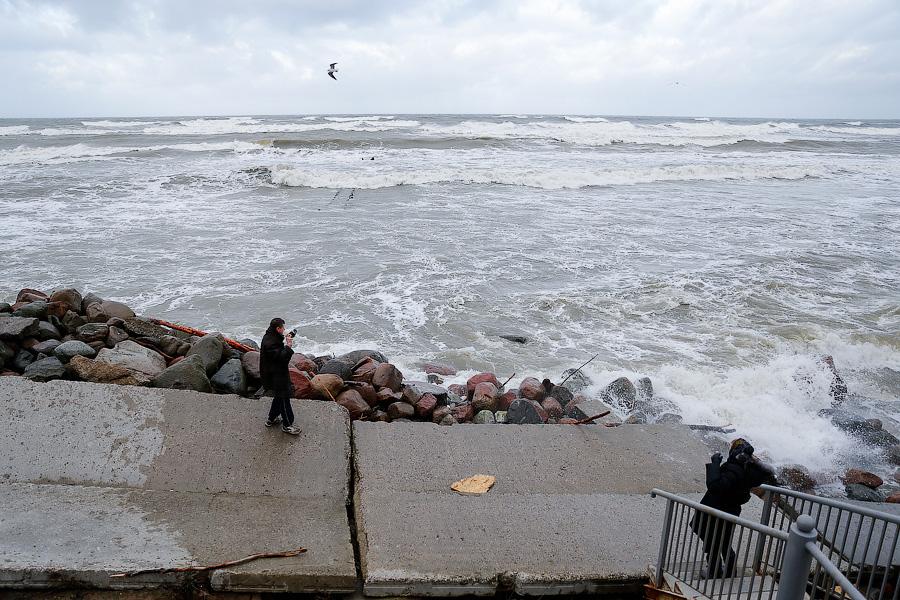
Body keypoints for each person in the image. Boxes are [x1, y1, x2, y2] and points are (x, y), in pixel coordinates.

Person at [691, 438, 776, 579]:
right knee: (724, 541)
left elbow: (715, 486)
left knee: (712, 542)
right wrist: (756, 461)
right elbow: (767, 473)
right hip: (731, 511)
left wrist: (715, 464)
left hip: (716, 511)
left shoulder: (733, 469)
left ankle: (714, 571)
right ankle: (730, 571)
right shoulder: (748, 470)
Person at [260, 317, 301, 435]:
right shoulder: (270, 343)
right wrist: (288, 346)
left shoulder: (270, 337)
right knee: (284, 398)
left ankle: (271, 419)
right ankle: (287, 425)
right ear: (277, 328)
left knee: (279, 397)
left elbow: (277, 350)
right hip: (276, 375)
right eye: (282, 328)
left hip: (274, 373)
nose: (284, 330)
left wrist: (284, 338)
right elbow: (282, 359)